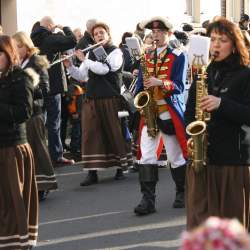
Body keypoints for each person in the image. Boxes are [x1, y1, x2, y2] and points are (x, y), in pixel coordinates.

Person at [185, 17, 250, 231]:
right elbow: (189, 114)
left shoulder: (245, 75)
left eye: (222, 40)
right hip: (203, 160)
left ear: (234, 45)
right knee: (201, 222)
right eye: (213, 39)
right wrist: (191, 138)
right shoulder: (203, 74)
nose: (216, 45)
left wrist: (221, 103)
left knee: (230, 225)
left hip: (233, 161)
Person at [64, 22, 132, 186]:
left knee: (113, 132)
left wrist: (83, 60)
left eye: (102, 33)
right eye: (96, 34)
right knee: (91, 135)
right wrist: (70, 66)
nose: (99, 36)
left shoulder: (116, 52)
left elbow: (104, 69)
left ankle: (120, 168)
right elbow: (82, 76)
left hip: (110, 99)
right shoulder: (91, 54)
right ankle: (92, 172)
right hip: (92, 99)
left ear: (108, 35)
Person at [133, 16, 187, 215]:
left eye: (159, 32)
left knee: (174, 155)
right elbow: (140, 84)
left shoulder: (179, 55)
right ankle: (148, 200)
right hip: (149, 113)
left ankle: (181, 191)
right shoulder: (146, 56)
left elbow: (180, 86)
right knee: (146, 156)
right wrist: (139, 99)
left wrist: (160, 83)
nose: (155, 35)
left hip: (167, 111)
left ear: (168, 33)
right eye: (153, 32)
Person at [0, 35, 38, 249]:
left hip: (12, 148)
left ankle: (19, 242)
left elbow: (24, 112)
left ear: (8, 54)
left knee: (13, 201)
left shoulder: (20, 77)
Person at [13, 31, 58, 201]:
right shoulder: (15, 64)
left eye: (19, 46)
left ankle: (43, 185)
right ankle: (28, 185)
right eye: (15, 47)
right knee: (24, 152)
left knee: (38, 149)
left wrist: (27, 86)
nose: (16, 50)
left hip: (35, 112)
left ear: (26, 45)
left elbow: (45, 89)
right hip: (20, 115)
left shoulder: (36, 61)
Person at [31, 16, 76, 166]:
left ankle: (38, 156)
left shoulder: (33, 38)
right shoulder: (50, 38)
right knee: (54, 122)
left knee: (39, 122)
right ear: (50, 25)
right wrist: (64, 28)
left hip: (37, 86)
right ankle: (56, 156)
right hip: (52, 85)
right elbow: (72, 40)